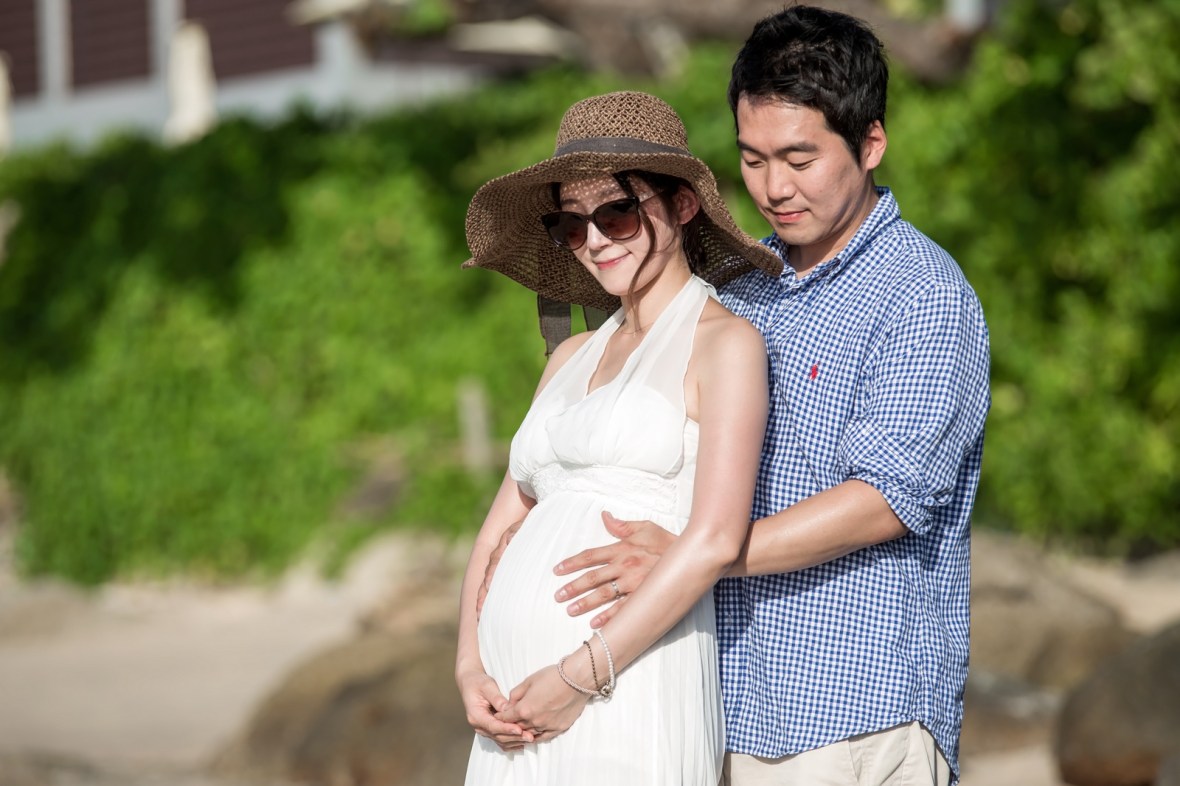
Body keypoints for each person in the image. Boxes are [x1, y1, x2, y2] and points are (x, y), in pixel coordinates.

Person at [484, 7, 992, 785]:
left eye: (799, 157)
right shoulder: (739, 288)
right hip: (718, 700)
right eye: (753, 160)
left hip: (854, 707)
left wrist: (699, 555)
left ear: (871, 142)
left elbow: (884, 500)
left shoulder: (922, 294)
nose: (774, 187)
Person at [456, 90, 783, 785]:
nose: (595, 239)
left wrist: (580, 676)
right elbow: (495, 532)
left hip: (626, 680)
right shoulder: (568, 358)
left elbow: (716, 540)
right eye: (570, 225)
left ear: (683, 205)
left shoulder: (726, 345)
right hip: (512, 703)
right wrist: (468, 666)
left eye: (616, 211)